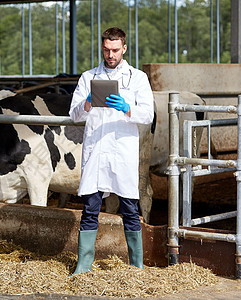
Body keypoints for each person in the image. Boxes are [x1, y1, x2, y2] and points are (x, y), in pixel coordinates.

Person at [69, 27, 154, 274]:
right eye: (106, 49)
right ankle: (83, 266)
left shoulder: (137, 78)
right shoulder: (87, 77)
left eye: (115, 50)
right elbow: (74, 115)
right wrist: (86, 102)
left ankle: (136, 267)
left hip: (122, 153)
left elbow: (147, 115)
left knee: (129, 208)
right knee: (90, 209)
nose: (110, 55)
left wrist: (127, 108)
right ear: (102, 48)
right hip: (96, 152)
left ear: (124, 48)